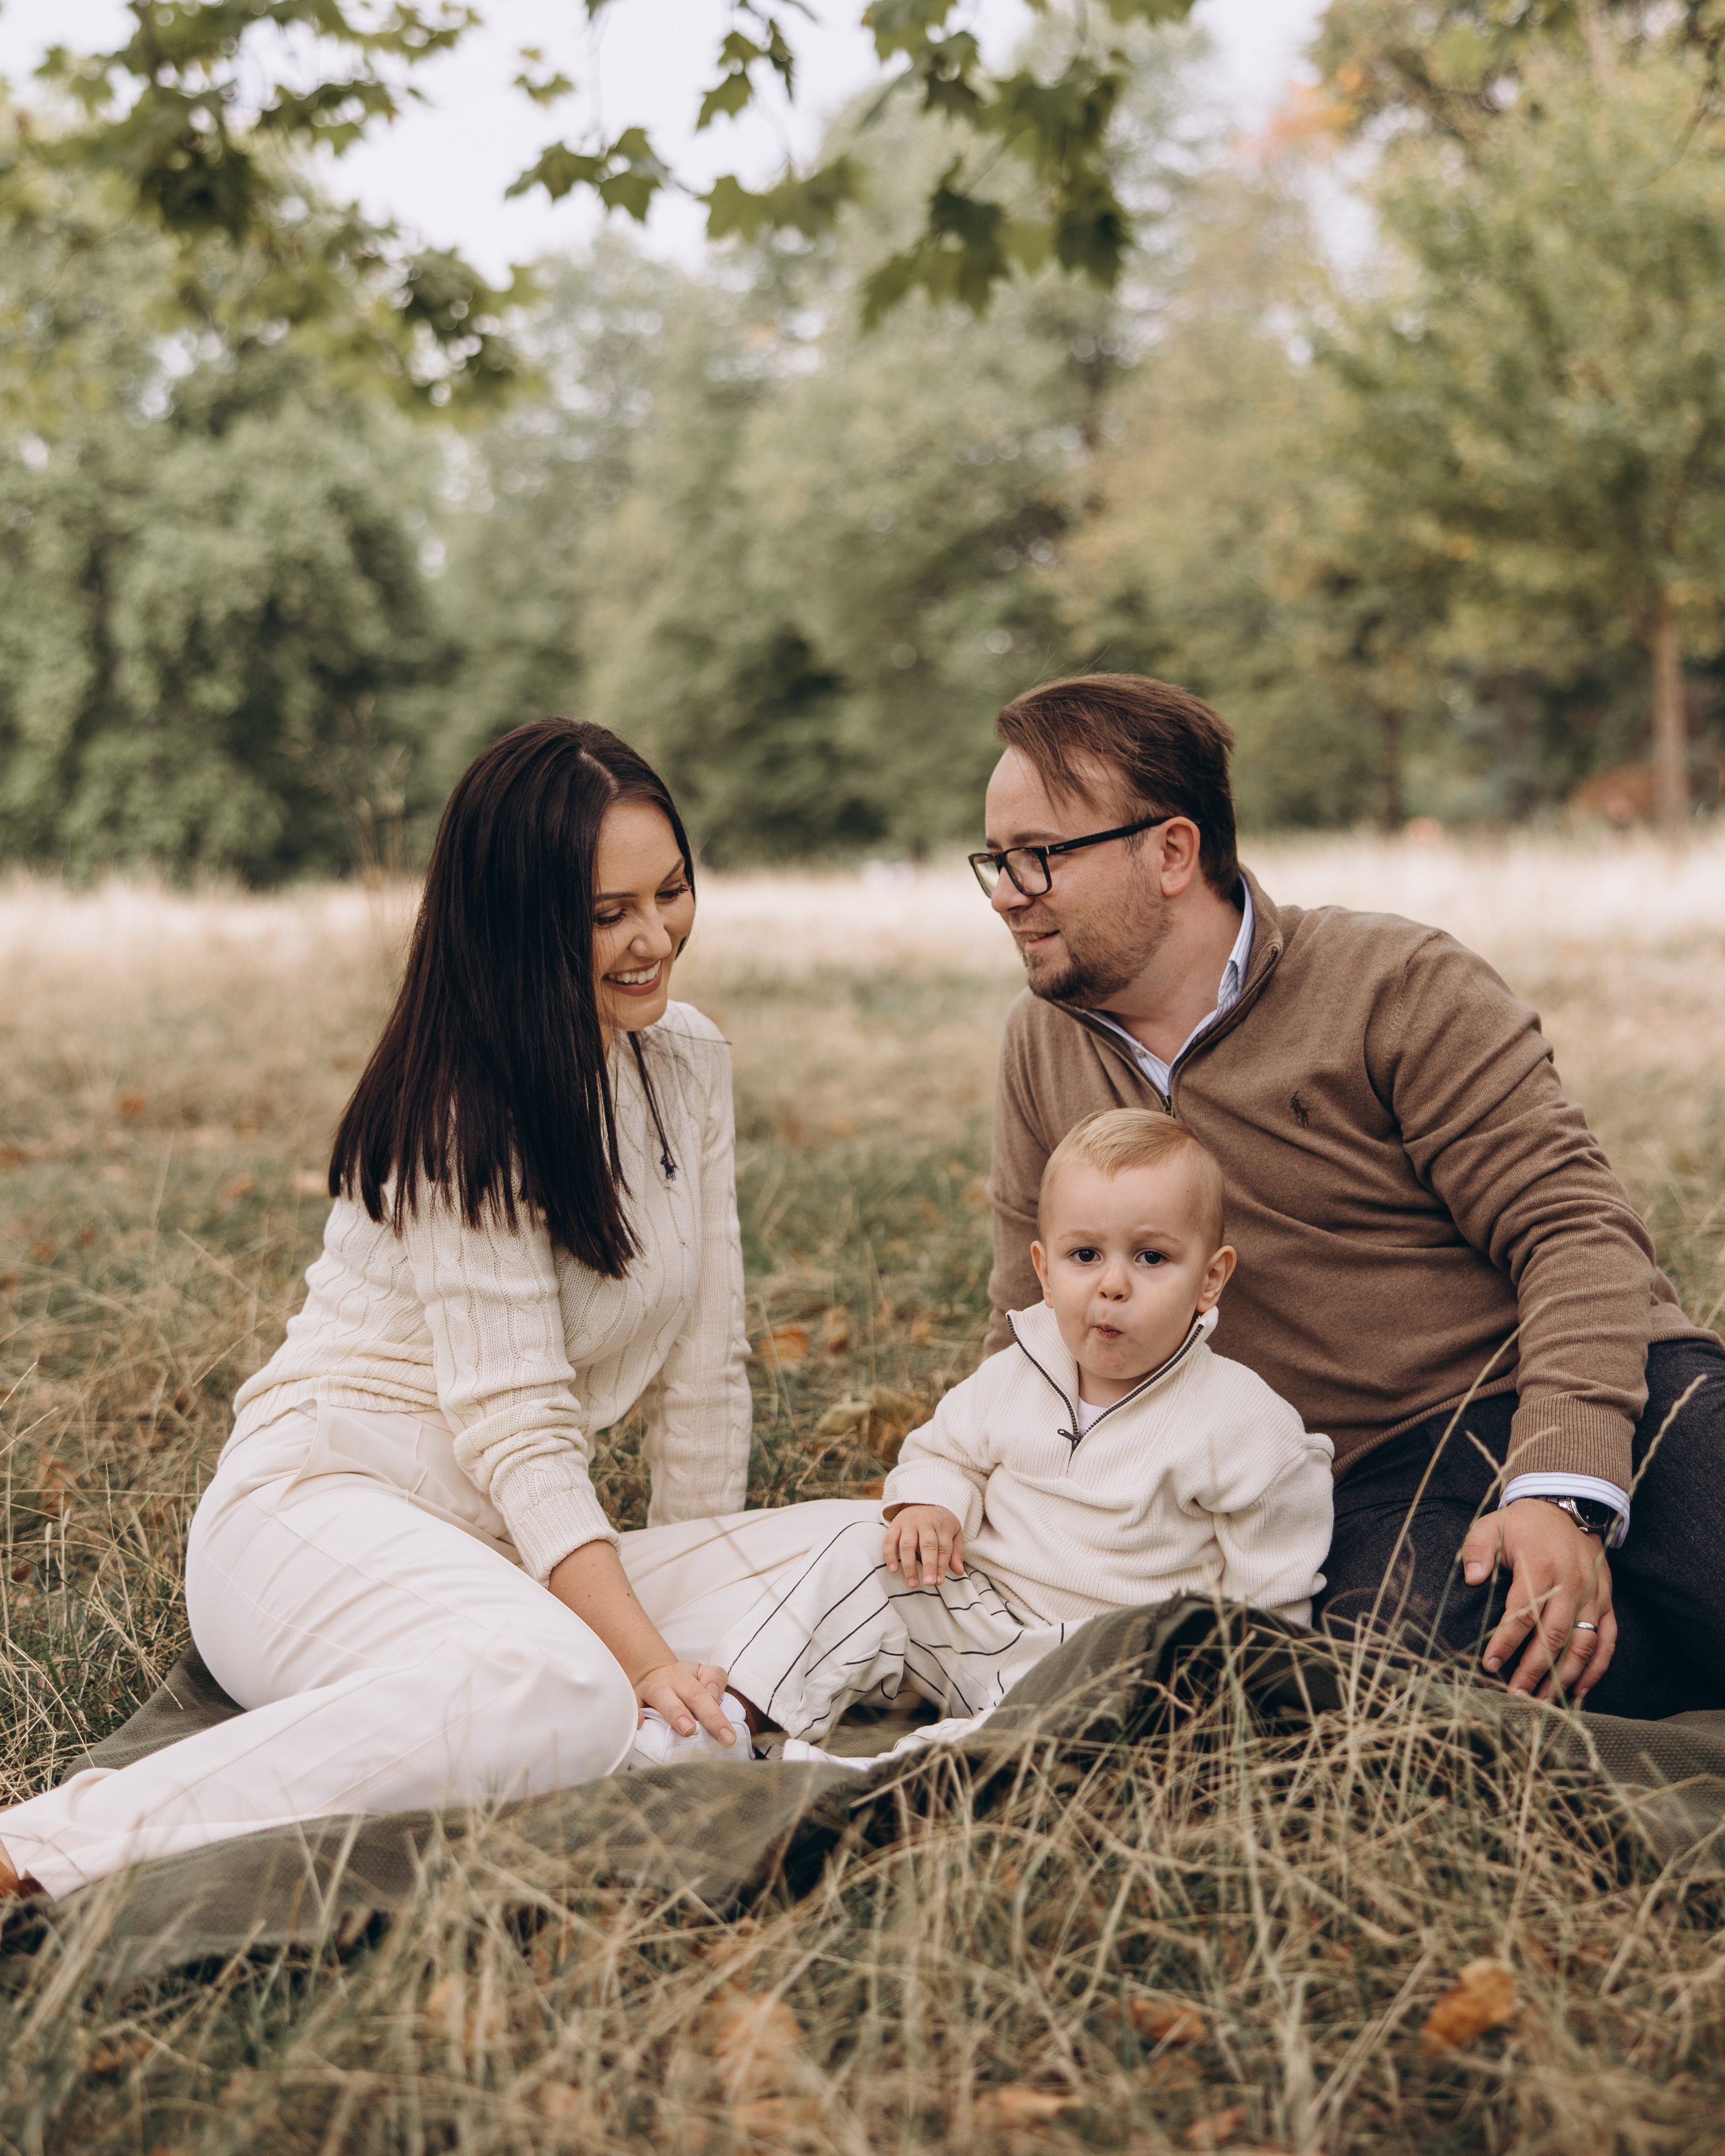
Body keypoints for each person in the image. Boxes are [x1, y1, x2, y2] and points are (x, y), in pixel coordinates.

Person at [0, 718, 874, 1903]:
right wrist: (641, 1657)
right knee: (565, 1684)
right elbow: (518, 1424)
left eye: (671, 891)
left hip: (508, 1552)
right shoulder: (465, 1106)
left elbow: (705, 1372)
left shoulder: (687, 1060)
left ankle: (643, 1734)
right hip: (317, 1513)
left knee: (861, 1545)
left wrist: (686, 1646)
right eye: (607, 912)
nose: (655, 936)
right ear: (520, 920)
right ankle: (46, 1845)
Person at [974, 673, 1725, 1719]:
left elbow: (1573, 1231)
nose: (1007, 891)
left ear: (1172, 851)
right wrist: (975, 1509)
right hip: (1371, 1478)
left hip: (1589, 1382)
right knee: (1387, 1689)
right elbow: (1030, 1319)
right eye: (996, 859)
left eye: (1039, 854)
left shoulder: (1393, 981)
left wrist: (1559, 1484)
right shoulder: (1040, 1046)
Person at [683, 1111, 1331, 1750]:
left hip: (1102, 1666)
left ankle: (883, 1780)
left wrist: (1237, 1696)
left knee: (1055, 1727)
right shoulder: (1019, 1370)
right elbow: (944, 1453)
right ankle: (733, 1715)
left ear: (1210, 1279)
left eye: (1152, 1257)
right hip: (980, 1617)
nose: (1113, 1284)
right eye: (1085, 1255)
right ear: (1045, 1272)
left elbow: (1271, 1596)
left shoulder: (1244, 1422)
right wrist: (932, 1505)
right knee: (860, 1551)